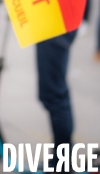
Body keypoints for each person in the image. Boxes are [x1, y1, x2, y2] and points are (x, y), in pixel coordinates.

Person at [36, 30, 77, 168]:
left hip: (54, 26)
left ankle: (62, 163)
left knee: (54, 96)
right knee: (53, 95)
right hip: (52, 25)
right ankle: (60, 159)